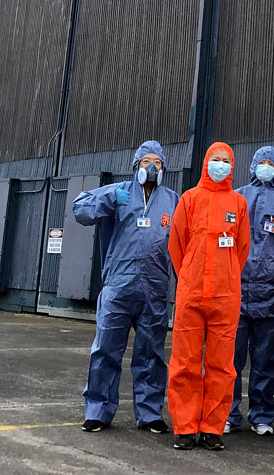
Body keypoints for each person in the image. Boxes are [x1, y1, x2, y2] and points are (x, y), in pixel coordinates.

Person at [72, 140, 179, 434]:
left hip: (154, 291)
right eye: (146, 162)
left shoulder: (173, 201)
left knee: (152, 354)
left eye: (157, 163)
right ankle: (98, 411)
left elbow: (185, 242)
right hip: (118, 287)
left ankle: (149, 413)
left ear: (164, 168)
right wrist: (106, 201)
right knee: (106, 349)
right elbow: (79, 210)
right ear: (136, 166)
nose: (152, 168)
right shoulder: (117, 192)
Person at [167, 142, 250, 451]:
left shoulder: (238, 203)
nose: (220, 164)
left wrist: (226, 275)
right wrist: (189, 274)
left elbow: (242, 249)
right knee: (185, 362)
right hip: (191, 292)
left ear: (232, 166)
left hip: (225, 297)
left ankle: (213, 427)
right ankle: (186, 427)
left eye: (226, 160)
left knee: (222, 365)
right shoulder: (190, 199)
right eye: (215, 159)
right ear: (205, 163)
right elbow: (177, 243)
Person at [226, 145, 274, 436]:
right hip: (235, 290)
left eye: (270, 162)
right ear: (253, 166)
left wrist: (273, 263)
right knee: (229, 358)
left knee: (266, 359)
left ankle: (261, 415)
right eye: (262, 162)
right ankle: (227, 412)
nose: (266, 166)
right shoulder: (236, 198)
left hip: (269, 294)